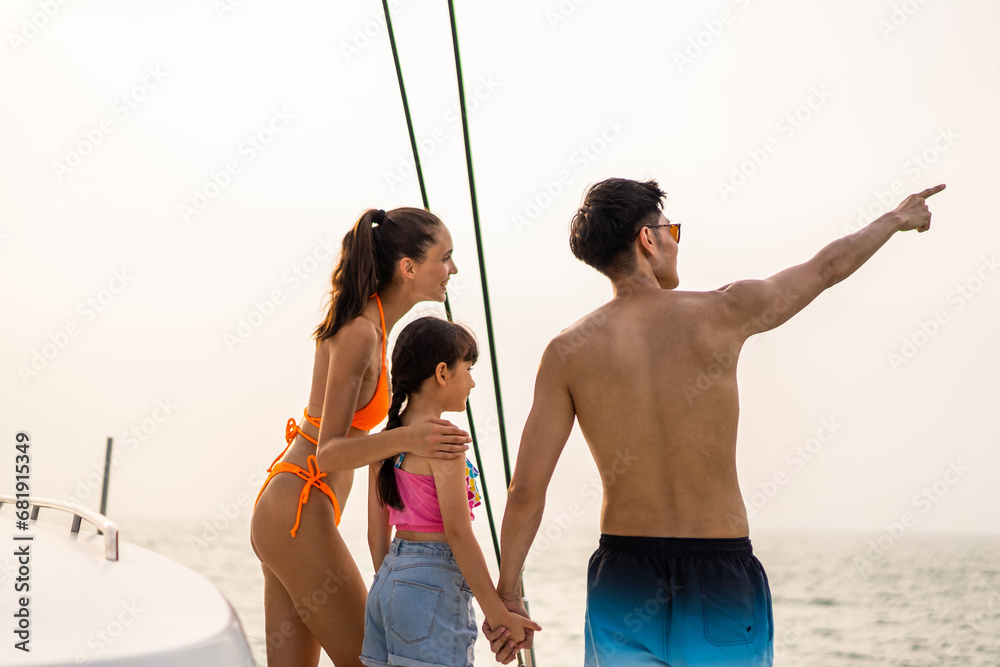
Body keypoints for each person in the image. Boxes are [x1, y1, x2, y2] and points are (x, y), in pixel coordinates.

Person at [485, 178, 945, 665]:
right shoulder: (724, 311)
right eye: (670, 229)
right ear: (648, 239)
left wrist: (507, 594)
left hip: (623, 576)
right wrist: (896, 218)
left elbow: (526, 489)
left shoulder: (565, 352)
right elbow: (827, 268)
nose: (675, 241)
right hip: (717, 570)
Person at [250, 207, 474, 667]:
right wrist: (411, 440)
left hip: (292, 510)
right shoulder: (362, 333)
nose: (453, 269)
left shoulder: (371, 325)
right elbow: (330, 453)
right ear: (409, 268)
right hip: (299, 511)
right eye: (446, 257)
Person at [361, 316, 541, 667]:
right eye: (469, 368)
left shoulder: (386, 441)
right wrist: (498, 614)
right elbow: (458, 534)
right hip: (433, 581)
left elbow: (375, 536)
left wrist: (396, 586)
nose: (472, 381)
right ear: (442, 373)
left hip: (387, 583)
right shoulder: (444, 441)